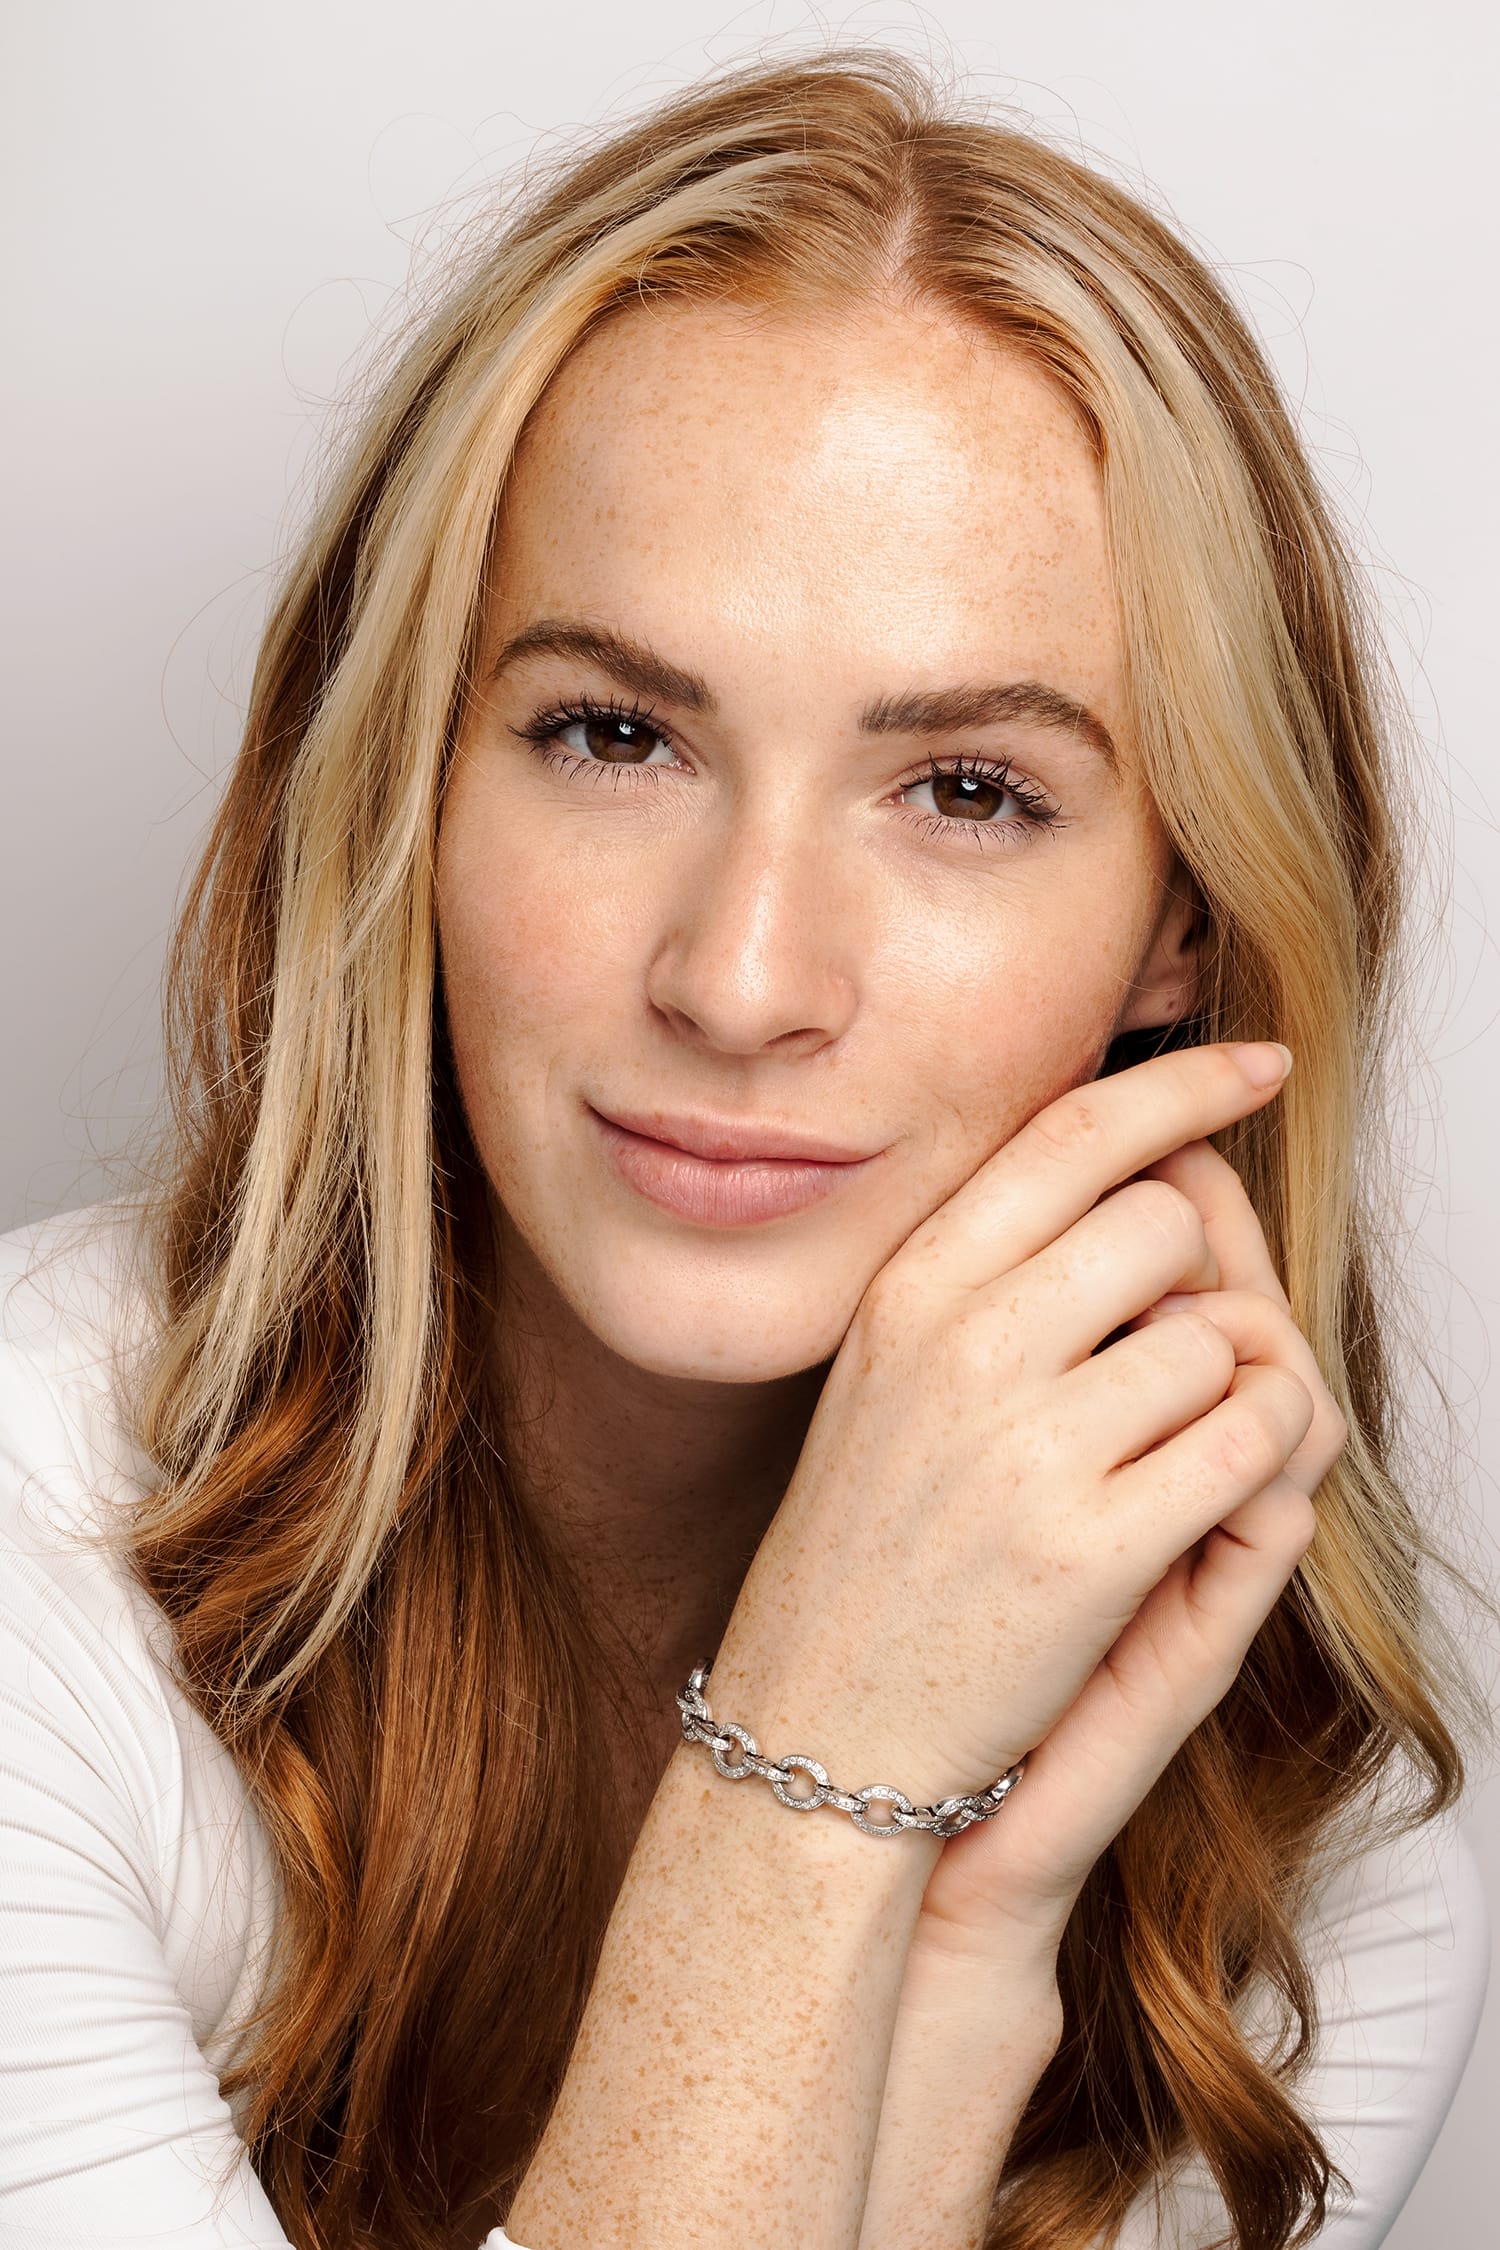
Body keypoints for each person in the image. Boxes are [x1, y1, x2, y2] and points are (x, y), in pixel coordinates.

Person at [0, 40, 1489, 2250]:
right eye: (615, 734)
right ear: (404, 785)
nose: (742, 976)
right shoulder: (31, 1565)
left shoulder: (1306, 1811)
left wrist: (962, 1951)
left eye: (968, 789)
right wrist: (815, 1789)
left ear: (1186, 924)